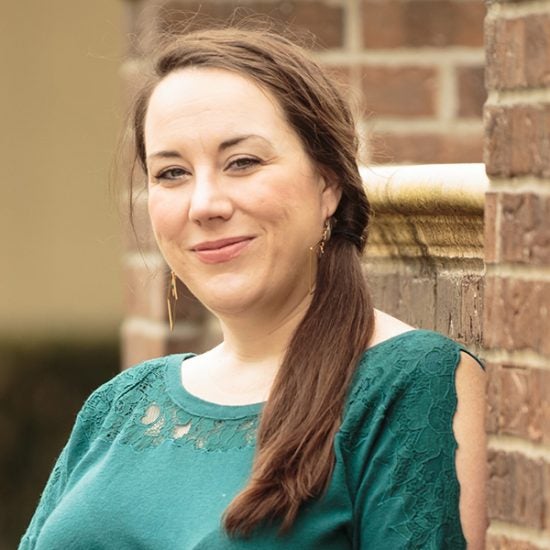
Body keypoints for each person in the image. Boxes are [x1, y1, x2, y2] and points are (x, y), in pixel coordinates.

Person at [20, 26, 487, 549]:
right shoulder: (120, 405)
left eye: (242, 162)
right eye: (171, 172)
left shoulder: (406, 384)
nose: (205, 204)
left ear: (328, 183)